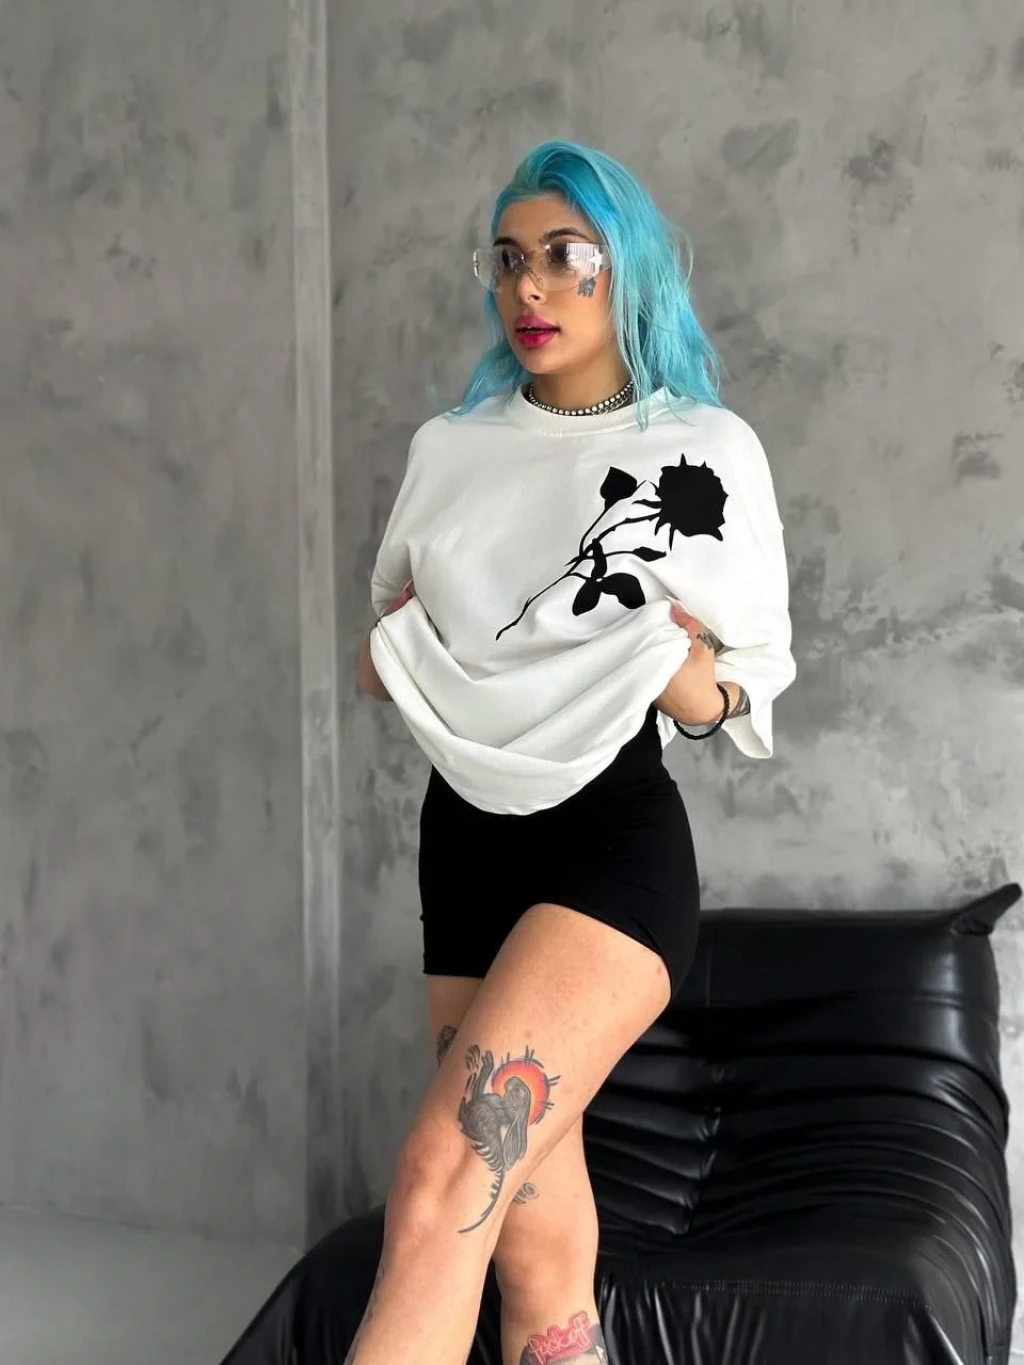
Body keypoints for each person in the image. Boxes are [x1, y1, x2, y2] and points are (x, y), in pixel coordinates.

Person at [351, 140, 796, 1365]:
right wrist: (410, 647)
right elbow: (381, 650)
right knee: (531, 1253)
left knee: (442, 1180)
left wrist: (683, 676)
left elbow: (744, 686)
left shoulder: (703, 448)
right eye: (508, 262)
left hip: (608, 842)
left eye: (564, 256)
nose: (530, 288)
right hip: (463, 840)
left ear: (625, 270)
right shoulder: (451, 449)